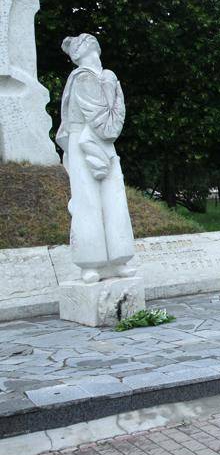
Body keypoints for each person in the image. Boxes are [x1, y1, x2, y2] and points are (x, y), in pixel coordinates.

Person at [55, 34, 136, 283]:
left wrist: (111, 85)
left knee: (115, 199)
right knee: (87, 202)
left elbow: (112, 117)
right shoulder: (83, 78)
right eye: (91, 48)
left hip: (104, 143)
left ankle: (119, 259)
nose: (96, 52)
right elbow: (102, 119)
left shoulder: (106, 77)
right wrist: (111, 87)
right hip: (84, 141)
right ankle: (90, 264)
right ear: (82, 53)